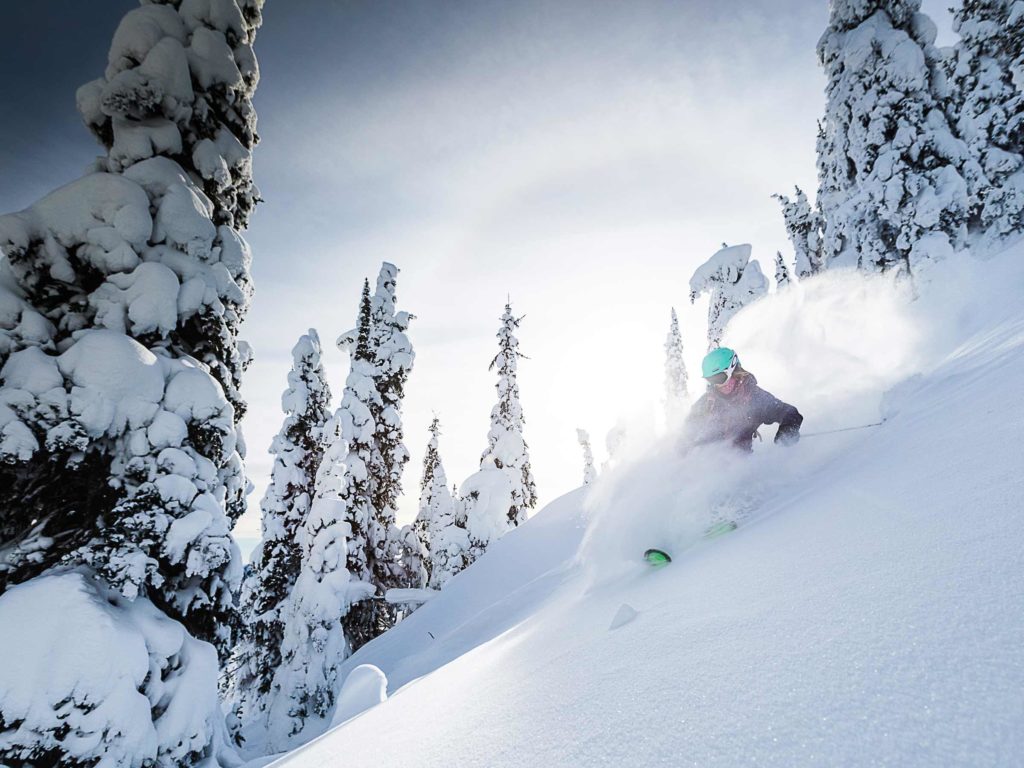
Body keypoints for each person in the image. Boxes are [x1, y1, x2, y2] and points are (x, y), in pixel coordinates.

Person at [685, 347, 802, 452]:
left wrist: (788, 429)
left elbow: (789, 413)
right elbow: (686, 431)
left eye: (720, 378)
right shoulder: (708, 402)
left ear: (734, 371)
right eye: (712, 380)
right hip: (706, 466)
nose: (719, 385)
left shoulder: (754, 398)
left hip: (739, 467)